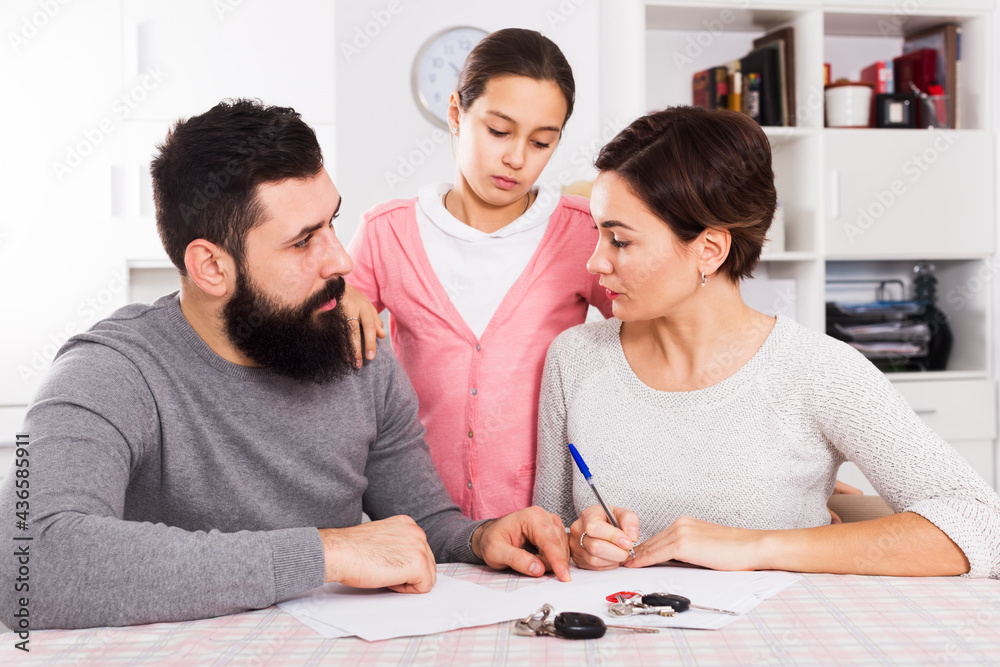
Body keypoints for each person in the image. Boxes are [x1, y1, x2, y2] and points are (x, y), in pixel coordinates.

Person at [0, 99, 572, 631]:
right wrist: (323, 553)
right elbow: (25, 564)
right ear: (211, 268)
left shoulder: (357, 352)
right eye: (303, 242)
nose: (342, 259)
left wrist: (480, 539)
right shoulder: (108, 371)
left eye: (332, 223)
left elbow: (423, 523)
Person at [533, 106, 1000, 579]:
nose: (594, 263)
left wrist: (756, 547)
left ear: (709, 250)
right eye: (598, 233)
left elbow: (984, 527)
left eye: (620, 240)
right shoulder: (574, 359)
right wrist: (578, 541)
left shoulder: (819, 371)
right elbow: (548, 532)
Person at [347, 28, 613, 520]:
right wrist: (336, 300)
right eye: (499, 131)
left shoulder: (583, 232)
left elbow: (652, 329)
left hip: (547, 520)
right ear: (456, 113)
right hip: (417, 520)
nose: (516, 158)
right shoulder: (388, 232)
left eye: (541, 142)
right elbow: (323, 338)